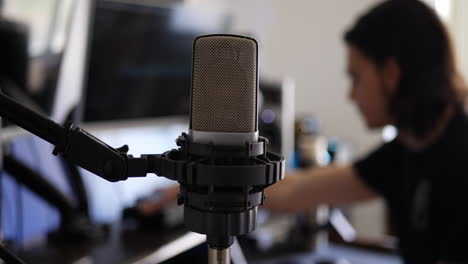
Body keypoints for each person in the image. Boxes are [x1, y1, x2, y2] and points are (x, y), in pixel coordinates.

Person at [266, 0, 468, 263]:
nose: (351, 95)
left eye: (356, 78)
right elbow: (292, 192)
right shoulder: (408, 148)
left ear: (391, 74)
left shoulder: (460, 159)